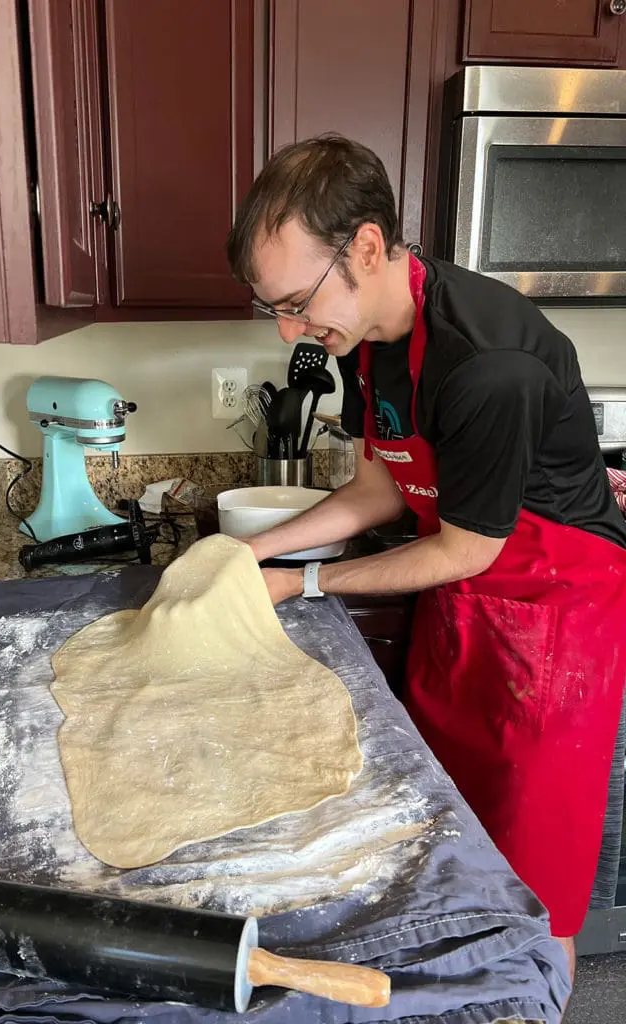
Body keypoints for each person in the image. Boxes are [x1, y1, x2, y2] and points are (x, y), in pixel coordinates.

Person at [225, 134, 626, 981]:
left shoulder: (489, 367)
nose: (293, 329)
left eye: (297, 301)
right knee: (443, 842)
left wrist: (299, 584)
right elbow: (381, 491)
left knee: (531, 884)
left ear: (366, 246)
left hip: (552, 627)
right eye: (278, 311)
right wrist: (248, 554)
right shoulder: (368, 336)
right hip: (462, 599)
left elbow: (467, 546)